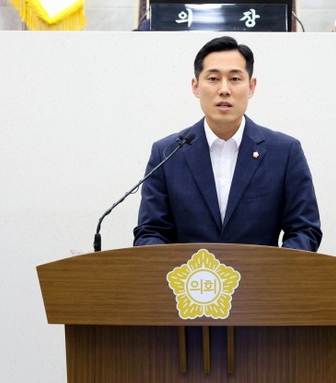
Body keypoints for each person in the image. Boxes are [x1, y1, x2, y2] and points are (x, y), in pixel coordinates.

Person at [133, 36, 322, 252]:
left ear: (251, 87)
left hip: (262, 274)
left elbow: (304, 230)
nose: (224, 89)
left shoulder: (285, 152)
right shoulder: (167, 153)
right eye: (213, 78)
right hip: (189, 274)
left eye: (235, 79)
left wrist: (277, 269)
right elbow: (151, 232)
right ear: (196, 86)